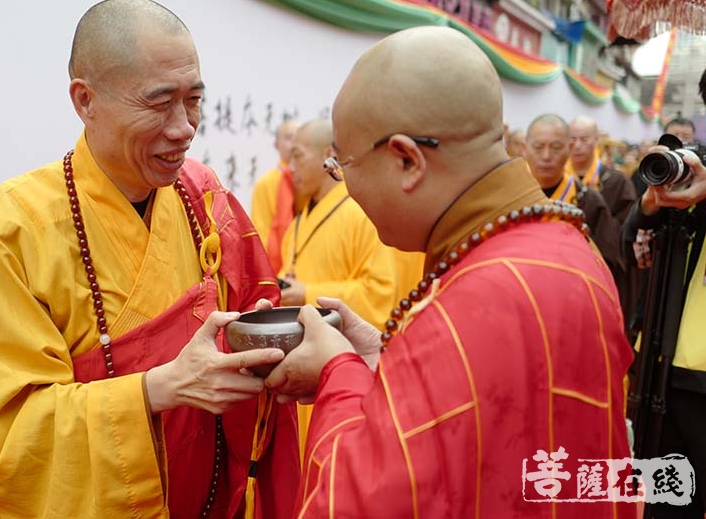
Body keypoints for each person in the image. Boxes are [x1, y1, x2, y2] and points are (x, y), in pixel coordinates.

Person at [265, 26, 635, 518]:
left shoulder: (476, 302)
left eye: (344, 165)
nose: (346, 187)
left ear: (406, 159)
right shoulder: (565, 246)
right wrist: (386, 357)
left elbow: (364, 500)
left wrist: (339, 373)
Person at [0, 0, 299, 518]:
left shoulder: (204, 195)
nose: (184, 126)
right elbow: (11, 431)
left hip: (211, 498)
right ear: (85, 99)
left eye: (194, 100)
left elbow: (258, 307)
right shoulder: (13, 223)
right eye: (160, 102)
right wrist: (161, 387)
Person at [276, 118, 397, 459]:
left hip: (342, 372)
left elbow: (380, 292)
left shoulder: (362, 213)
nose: (291, 166)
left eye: (298, 156)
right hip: (299, 372)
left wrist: (307, 292)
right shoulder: (299, 222)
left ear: (328, 156)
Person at [621, 69, 706, 519]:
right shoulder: (694, 174)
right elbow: (629, 249)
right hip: (667, 372)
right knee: (667, 504)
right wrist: (650, 206)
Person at [524, 114, 624, 282]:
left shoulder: (589, 200)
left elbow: (606, 262)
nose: (547, 156)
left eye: (556, 147)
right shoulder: (510, 195)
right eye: (538, 147)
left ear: (568, 150)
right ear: (524, 149)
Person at [250, 119, 300, 273]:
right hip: (276, 268)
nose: (293, 144)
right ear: (276, 144)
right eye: (288, 138)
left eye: (298, 138)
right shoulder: (266, 183)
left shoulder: (313, 180)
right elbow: (261, 232)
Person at [568, 116, 636, 225]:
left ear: (596, 140)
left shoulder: (617, 180)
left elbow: (626, 224)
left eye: (584, 139)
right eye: (572, 139)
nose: (577, 145)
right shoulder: (555, 177)